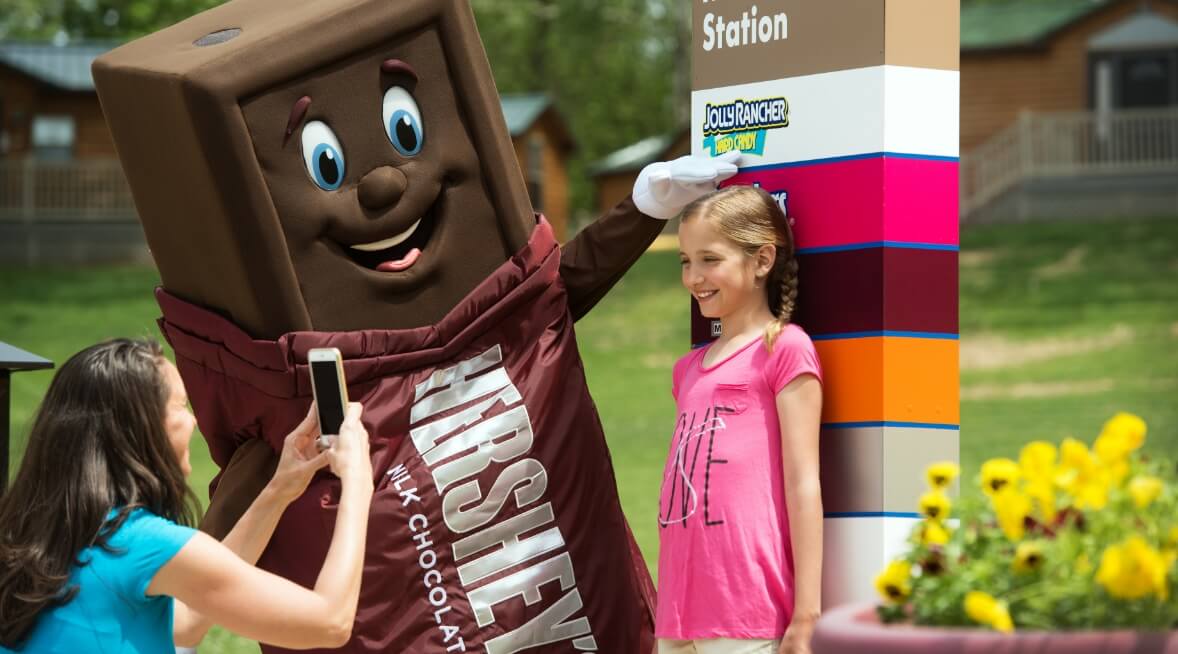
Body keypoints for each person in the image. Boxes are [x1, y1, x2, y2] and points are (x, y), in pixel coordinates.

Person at [0, 338, 373, 653]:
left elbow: (188, 620)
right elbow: (329, 622)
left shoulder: (42, 531)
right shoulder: (140, 542)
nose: (193, 420)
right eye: (180, 406)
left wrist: (279, 490)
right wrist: (357, 482)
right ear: (143, 429)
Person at [658, 186, 824, 654]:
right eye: (686, 262)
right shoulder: (686, 370)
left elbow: (803, 482)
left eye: (710, 260)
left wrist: (807, 613)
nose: (694, 277)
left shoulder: (784, 349)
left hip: (748, 611)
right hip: (678, 611)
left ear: (763, 259)